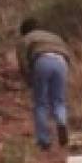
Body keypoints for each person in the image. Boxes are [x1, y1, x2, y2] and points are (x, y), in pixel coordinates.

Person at [16, 19, 71, 150]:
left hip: (42, 61)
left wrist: (29, 79)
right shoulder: (54, 36)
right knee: (59, 100)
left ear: (24, 31)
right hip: (61, 62)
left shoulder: (26, 39)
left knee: (40, 103)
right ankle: (61, 121)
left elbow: (23, 61)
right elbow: (67, 53)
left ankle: (44, 140)